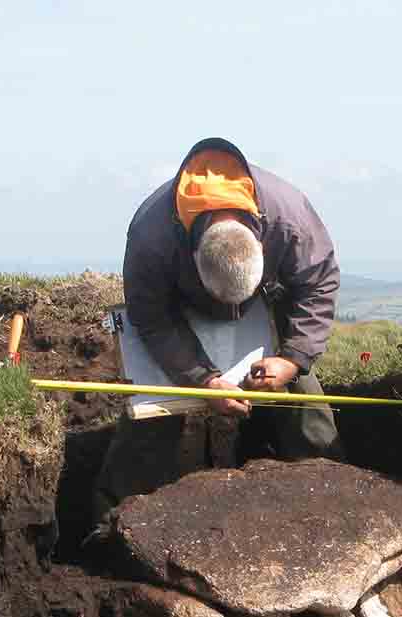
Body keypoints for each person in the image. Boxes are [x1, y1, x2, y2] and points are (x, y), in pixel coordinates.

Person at [92, 138, 344, 521]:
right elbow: (153, 318)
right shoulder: (152, 237)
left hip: (266, 304)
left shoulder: (288, 217)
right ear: (193, 258)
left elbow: (319, 282)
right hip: (176, 311)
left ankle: (333, 503)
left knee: (306, 410)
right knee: (152, 416)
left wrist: (293, 359)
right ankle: (111, 523)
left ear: (261, 244)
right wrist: (203, 381)